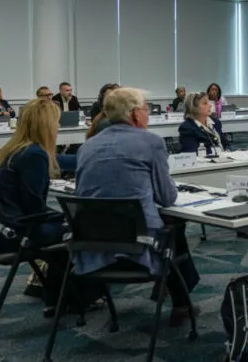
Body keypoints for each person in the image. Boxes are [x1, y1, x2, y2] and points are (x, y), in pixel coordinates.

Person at [74, 87, 200, 327]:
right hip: (138, 246)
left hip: (92, 247)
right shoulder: (150, 142)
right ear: (134, 114)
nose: (148, 115)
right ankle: (181, 303)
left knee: (171, 227)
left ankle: (177, 299)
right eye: (146, 110)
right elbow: (167, 197)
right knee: (175, 225)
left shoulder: (87, 146)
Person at [0, 98, 72, 312]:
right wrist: (66, 218)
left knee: (67, 226)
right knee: (77, 231)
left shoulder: (16, 149)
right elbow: (35, 208)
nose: (59, 127)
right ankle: (69, 300)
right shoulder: (34, 155)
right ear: (47, 125)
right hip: (16, 233)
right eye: (57, 122)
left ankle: (54, 295)